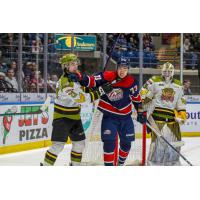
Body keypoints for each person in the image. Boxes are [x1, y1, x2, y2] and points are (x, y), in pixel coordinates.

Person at [41, 53, 112, 166]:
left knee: (79, 144)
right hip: (62, 118)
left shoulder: (75, 77)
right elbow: (83, 99)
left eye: (76, 64)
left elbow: (83, 89)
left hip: (75, 117)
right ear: (65, 66)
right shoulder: (66, 83)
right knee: (57, 146)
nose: (76, 66)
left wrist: (95, 86)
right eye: (72, 64)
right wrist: (101, 91)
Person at [78, 57, 146, 166]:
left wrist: (141, 112)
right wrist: (80, 76)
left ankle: (120, 164)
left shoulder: (132, 82)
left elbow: (137, 99)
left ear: (128, 69)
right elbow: (90, 81)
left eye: (125, 68)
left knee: (127, 144)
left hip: (125, 117)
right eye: (120, 68)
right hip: (110, 117)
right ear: (117, 68)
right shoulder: (108, 76)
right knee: (109, 143)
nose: (122, 71)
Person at [140, 62, 187, 166]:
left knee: (175, 144)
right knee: (157, 145)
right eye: (165, 71)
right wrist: (143, 108)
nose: (167, 74)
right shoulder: (154, 81)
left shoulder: (178, 85)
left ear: (173, 72)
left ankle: (173, 164)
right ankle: (153, 164)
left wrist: (181, 116)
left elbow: (180, 103)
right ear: (162, 71)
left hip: (172, 119)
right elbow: (144, 94)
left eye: (169, 72)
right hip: (157, 118)